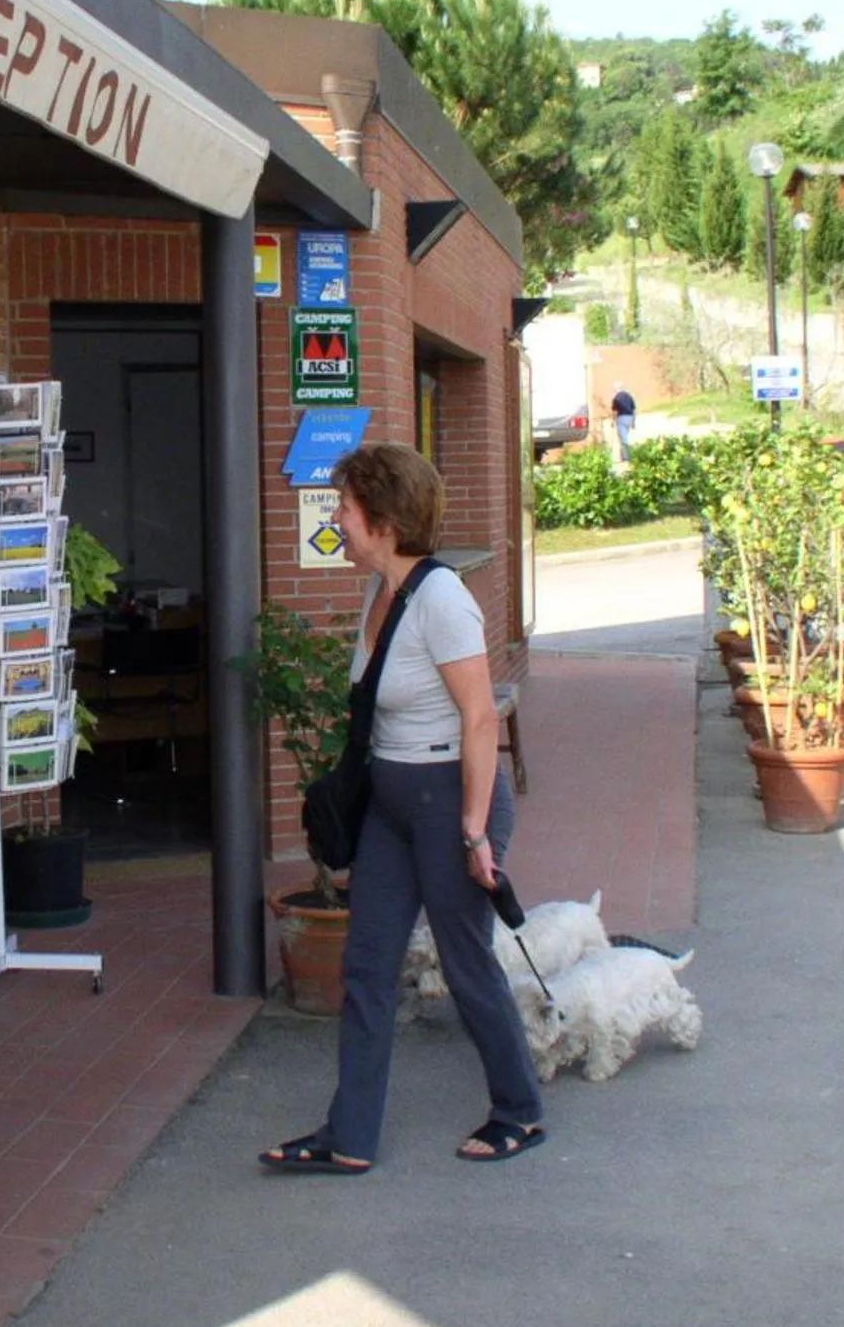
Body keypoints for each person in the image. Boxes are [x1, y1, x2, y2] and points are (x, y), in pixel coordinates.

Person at [260, 443, 543, 1174]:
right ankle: (348, 1135)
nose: (337, 519)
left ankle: (519, 1109)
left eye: (345, 507)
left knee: (464, 958)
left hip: (449, 800)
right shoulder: (378, 592)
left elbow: (480, 718)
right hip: (390, 802)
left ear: (383, 521)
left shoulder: (442, 598)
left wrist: (475, 830)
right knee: (367, 963)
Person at [610, 383, 637, 461]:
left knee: (623, 438)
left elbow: (615, 411)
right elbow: (634, 409)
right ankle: (625, 455)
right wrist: (633, 422)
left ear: (616, 389)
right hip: (630, 418)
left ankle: (626, 456)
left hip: (621, 418)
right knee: (625, 437)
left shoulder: (616, 398)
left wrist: (612, 421)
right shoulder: (629, 396)